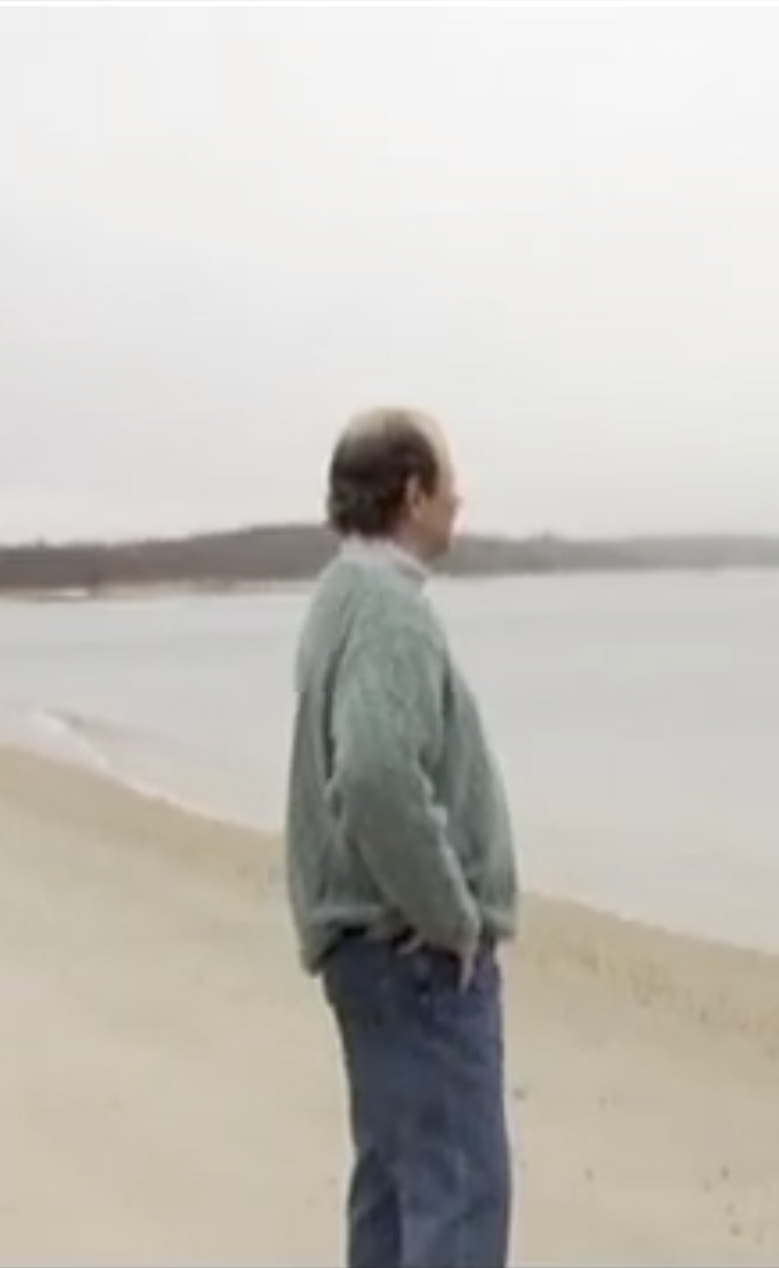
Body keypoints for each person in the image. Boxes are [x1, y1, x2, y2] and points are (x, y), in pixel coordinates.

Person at [283, 406, 520, 1268]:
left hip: (369, 951)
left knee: (395, 1190)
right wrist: (450, 915)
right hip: (411, 957)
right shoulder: (388, 612)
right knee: (456, 1194)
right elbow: (374, 773)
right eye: (448, 482)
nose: (460, 500)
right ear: (413, 493)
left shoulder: (342, 596)